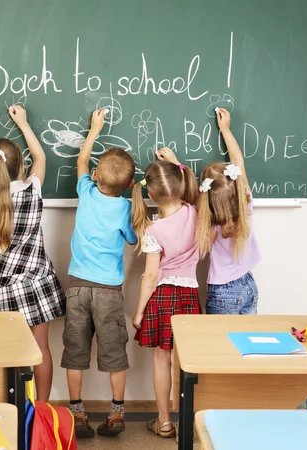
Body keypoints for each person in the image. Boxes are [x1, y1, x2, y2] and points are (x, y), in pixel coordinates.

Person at [0, 105, 65, 402]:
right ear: (20, 166)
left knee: (14, 351)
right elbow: (41, 157)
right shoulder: (33, 190)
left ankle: (18, 406)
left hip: (9, 290)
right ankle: (42, 406)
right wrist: (24, 124)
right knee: (41, 348)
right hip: (39, 282)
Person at [61, 109, 137, 438]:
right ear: (131, 184)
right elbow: (133, 240)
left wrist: (93, 130)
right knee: (114, 353)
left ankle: (77, 412)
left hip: (77, 286)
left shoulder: (87, 193)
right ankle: (117, 411)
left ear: (94, 176)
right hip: (109, 291)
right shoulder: (125, 209)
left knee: (75, 353)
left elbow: (81, 162)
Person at [131, 148, 200, 438]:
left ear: (150, 195)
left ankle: (164, 421)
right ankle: (189, 417)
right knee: (185, 362)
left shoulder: (153, 230)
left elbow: (150, 276)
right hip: (189, 296)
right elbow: (186, 188)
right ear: (181, 184)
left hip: (161, 298)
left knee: (162, 361)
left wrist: (138, 312)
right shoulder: (193, 212)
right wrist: (173, 164)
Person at [197, 108, 261, 314]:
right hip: (248, 283)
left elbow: (202, 249)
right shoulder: (246, 202)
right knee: (245, 345)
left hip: (223, 293)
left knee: (219, 345)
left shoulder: (213, 223)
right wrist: (226, 129)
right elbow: (238, 163)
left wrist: (174, 165)